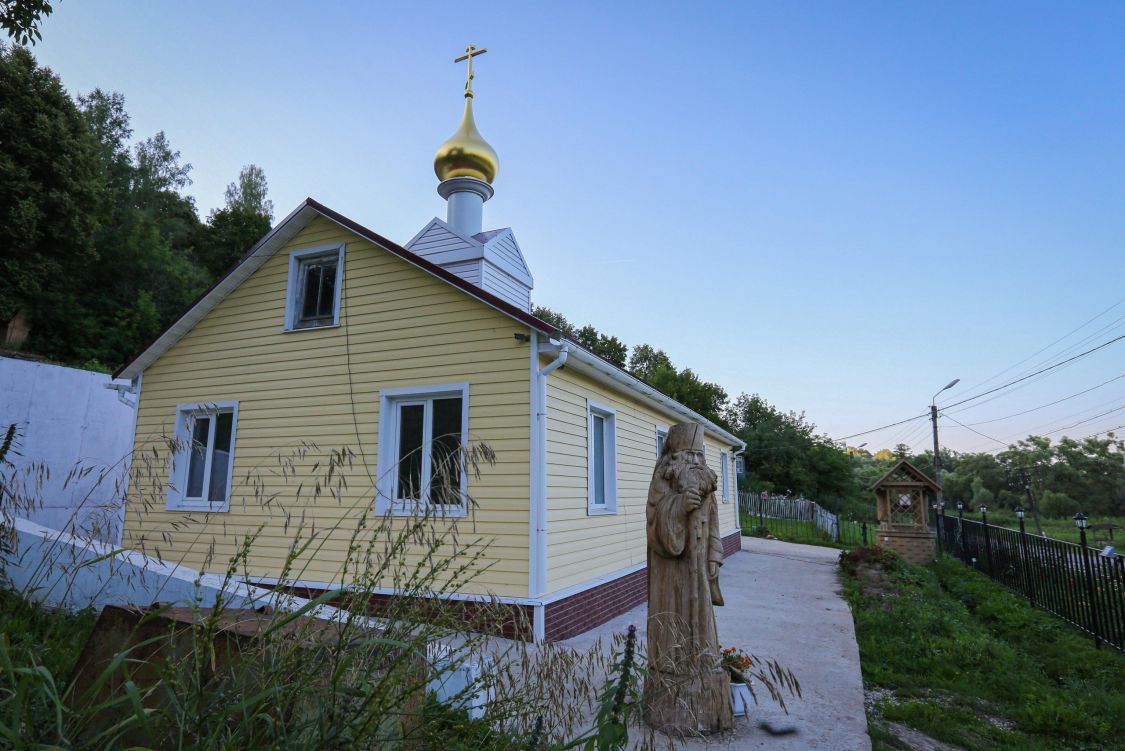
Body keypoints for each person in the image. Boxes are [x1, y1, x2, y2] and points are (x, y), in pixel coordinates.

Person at [644, 422, 732, 735]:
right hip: (673, 579)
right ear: (672, 457)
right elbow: (655, 528)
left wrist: (714, 557)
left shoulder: (706, 487)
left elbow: (713, 528)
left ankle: (704, 667)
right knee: (673, 627)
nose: (694, 461)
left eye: (699, 454)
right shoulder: (661, 485)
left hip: (700, 576)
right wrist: (678, 507)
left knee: (704, 627)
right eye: (688, 454)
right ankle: (671, 668)